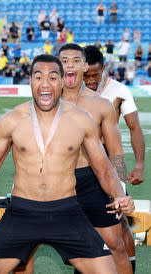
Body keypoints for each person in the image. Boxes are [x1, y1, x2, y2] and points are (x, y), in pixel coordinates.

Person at [0, 54, 134, 273]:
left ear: (61, 81)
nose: (45, 84)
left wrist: (119, 194)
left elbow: (105, 171)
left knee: (108, 271)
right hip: (22, 212)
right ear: (30, 81)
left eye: (52, 77)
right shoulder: (11, 120)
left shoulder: (82, 120)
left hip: (66, 211)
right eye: (38, 77)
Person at [58, 44, 133, 274]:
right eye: (64, 60)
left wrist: (119, 190)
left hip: (93, 180)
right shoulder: (46, 103)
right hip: (56, 183)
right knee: (28, 245)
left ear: (84, 65)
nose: (70, 64)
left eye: (75, 60)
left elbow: (116, 152)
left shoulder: (102, 105)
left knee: (115, 244)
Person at [84, 45, 145, 272]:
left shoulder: (119, 91)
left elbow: (134, 128)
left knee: (119, 222)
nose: (90, 80)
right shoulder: (72, 92)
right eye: (86, 75)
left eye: (95, 75)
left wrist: (139, 165)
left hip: (110, 162)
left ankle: (129, 268)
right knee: (81, 222)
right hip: (78, 165)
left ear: (104, 69)